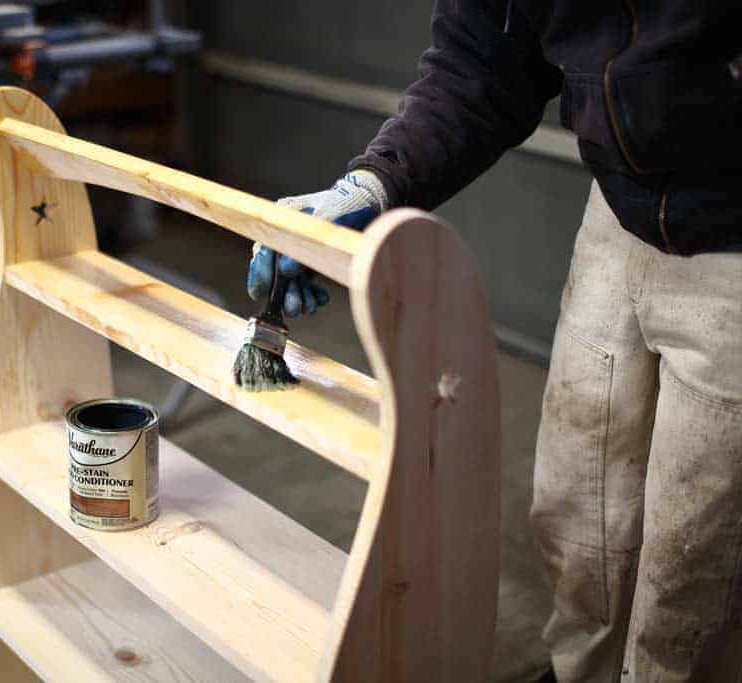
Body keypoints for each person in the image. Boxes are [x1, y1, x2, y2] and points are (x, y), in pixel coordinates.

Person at [247, 2, 742, 681]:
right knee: (579, 514)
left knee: (697, 555)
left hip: (734, 224)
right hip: (622, 204)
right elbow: (482, 61)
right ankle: (582, 674)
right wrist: (374, 182)